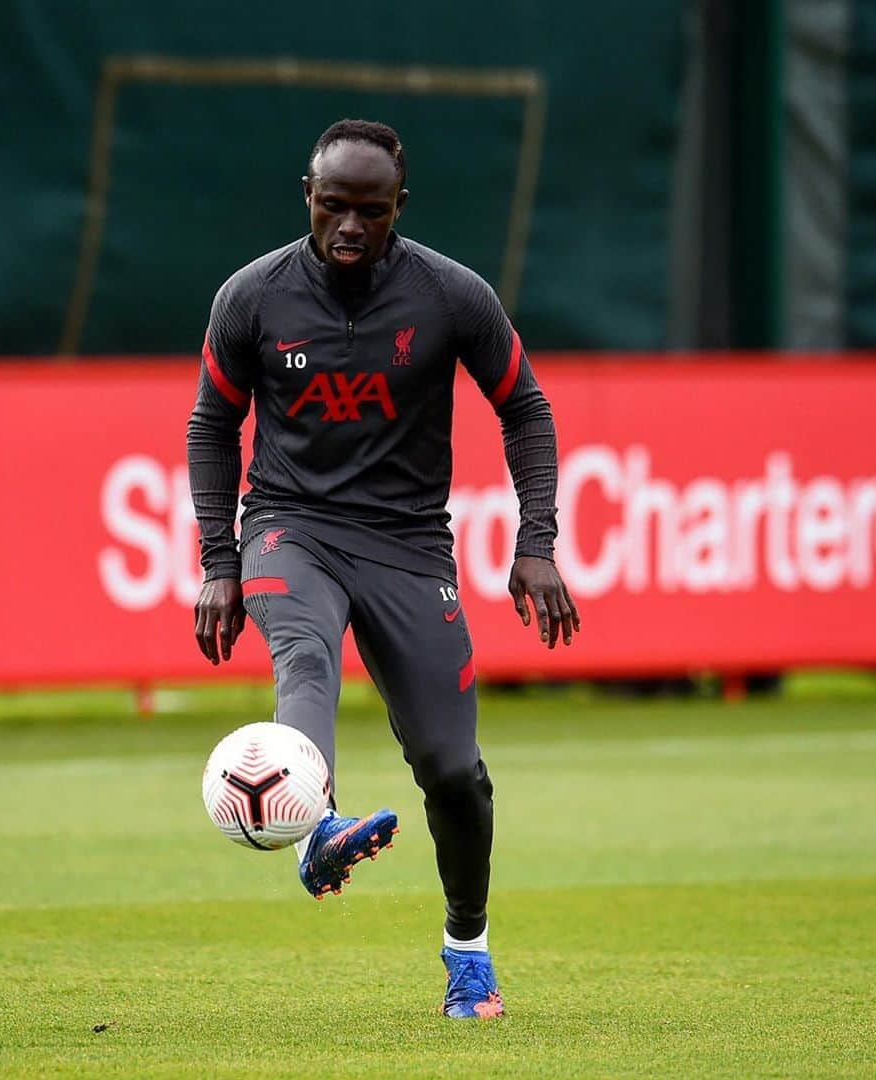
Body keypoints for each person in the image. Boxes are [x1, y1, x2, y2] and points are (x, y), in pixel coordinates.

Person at [187, 119, 579, 1020]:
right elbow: (212, 425)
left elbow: (524, 406)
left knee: (453, 771)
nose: (351, 226)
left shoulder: (450, 296)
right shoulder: (251, 297)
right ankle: (314, 829)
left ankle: (468, 951)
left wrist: (538, 542)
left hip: (408, 544)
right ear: (308, 196)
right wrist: (219, 559)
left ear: (401, 205)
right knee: (306, 657)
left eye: (371, 210)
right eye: (334, 206)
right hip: (291, 527)